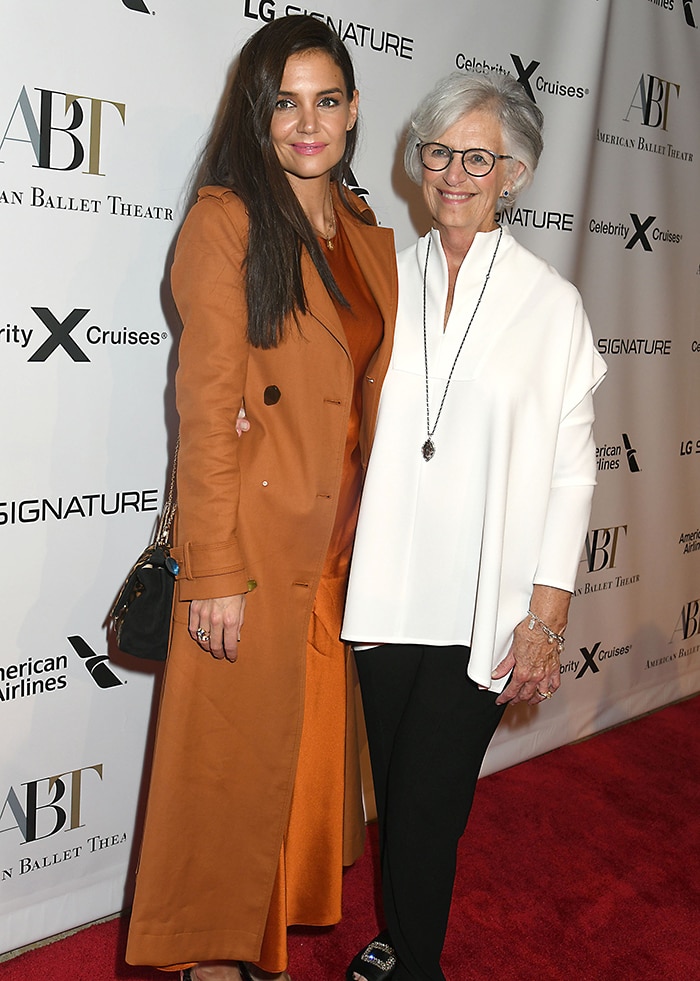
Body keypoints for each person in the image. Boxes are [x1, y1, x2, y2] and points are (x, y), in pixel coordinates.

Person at [124, 15, 397, 981]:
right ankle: (207, 962)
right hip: (252, 543)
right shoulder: (227, 220)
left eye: (327, 100)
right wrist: (213, 571)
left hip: (339, 551)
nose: (307, 123)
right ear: (258, 112)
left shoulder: (368, 237)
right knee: (229, 770)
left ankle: (264, 951)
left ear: (356, 109)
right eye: (285, 102)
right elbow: (203, 414)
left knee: (293, 771)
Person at [341, 71, 606, 981]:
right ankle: (402, 939)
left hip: (483, 607)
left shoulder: (551, 305)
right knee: (403, 800)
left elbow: (574, 471)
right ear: (419, 164)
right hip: (381, 594)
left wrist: (546, 614)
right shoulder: (383, 275)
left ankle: (414, 964)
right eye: (440, 152)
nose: (455, 173)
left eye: (479, 157)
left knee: (427, 803)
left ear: (516, 174)